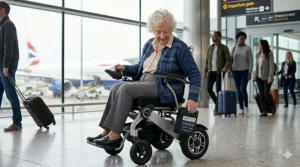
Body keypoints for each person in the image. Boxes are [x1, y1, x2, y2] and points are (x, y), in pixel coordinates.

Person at [87, 9, 201, 149]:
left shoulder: (179, 47)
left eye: (166, 31)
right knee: (116, 87)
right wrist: (124, 68)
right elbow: (140, 68)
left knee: (125, 89)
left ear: (171, 28)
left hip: (164, 87)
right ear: (152, 30)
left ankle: (115, 136)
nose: (162, 35)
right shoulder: (149, 44)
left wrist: (193, 98)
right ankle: (106, 131)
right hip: (143, 82)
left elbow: (195, 73)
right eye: (158, 31)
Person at [0, 1, 22, 131]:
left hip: (6, 65)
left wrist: (6, 66)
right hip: (2, 65)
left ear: (3, 10)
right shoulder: (2, 25)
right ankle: (17, 122)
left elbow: (9, 47)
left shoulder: (8, 25)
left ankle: (17, 123)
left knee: (10, 94)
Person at [203, 31, 231, 115]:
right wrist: (205, 71)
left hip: (219, 72)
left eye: (214, 36)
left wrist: (225, 67)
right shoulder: (210, 48)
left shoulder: (224, 48)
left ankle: (217, 108)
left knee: (218, 90)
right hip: (210, 71)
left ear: (218, 37)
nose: (212, 37)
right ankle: (218, 103)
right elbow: (207, 61)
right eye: (212, 36)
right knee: (208, 89)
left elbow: (228, 60)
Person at [230, 32, 253, 115]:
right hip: (235, 71)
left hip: (245, 71)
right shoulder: (234, 48)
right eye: (241, 38)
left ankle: (246, 106)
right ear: (237, 39)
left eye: (244, 38)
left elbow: (251, 61)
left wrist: (249, 72)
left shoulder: (248, 48)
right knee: (238, 90)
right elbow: (230, 59)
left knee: (242, 89)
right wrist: (229, 70)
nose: (242, 40)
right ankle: (241, 108)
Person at [254, 40, 275, 116]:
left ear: (263, 45)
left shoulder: (269, 54)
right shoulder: (257, 55)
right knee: (261, 95)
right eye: (258, 44)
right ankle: (264, 110)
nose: (258, 45)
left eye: (259, 44)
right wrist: (255, 76)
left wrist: (270, 77)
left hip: (267, 77)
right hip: (259, 77)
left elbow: (271, 67)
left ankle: (272, 104)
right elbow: (256, 67)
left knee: (266, 93)